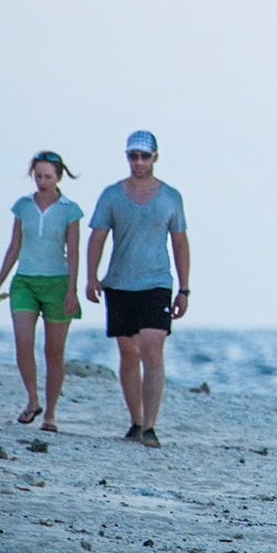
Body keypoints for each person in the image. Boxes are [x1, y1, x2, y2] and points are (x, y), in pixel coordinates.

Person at [84, 130, 189, 448]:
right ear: (127, 157)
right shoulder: (112, 195)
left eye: (145, 156)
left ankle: (151, 427)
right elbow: (97, 236)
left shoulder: (171, 197)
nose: (139, 162)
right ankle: (136, 420)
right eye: (134, 156)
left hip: (156, 283)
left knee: (152, 349)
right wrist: (91, 277)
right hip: (119, 283)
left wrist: (184, 290)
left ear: (155, 156)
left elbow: (180, 242)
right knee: (128, 354)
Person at [0, 150, 84, 431]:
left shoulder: (70, 210)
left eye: (48, 176)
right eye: (38, 176)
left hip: (58, 283)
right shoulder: (23, 206)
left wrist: (72, 290)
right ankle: (32, 400)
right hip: (24, 282)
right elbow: (14, 247)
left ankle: (50, 414)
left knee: (54, 351)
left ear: (59, 177)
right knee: (23, 344)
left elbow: (74, 252)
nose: (42, 181)